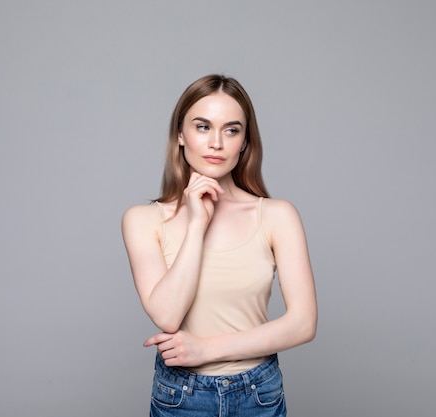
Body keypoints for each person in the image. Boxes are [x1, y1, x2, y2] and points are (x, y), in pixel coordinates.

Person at [122, 74, 317, 417]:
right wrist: (198, 223)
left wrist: (205, 350)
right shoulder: (143, 220)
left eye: (231, 130)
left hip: (258, 393)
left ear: (244, 142)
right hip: (182, 396)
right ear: (180, 135)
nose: (216, 142)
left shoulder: (276, 215)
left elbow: (303, 324)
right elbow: (167, 315)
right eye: (202, 127)